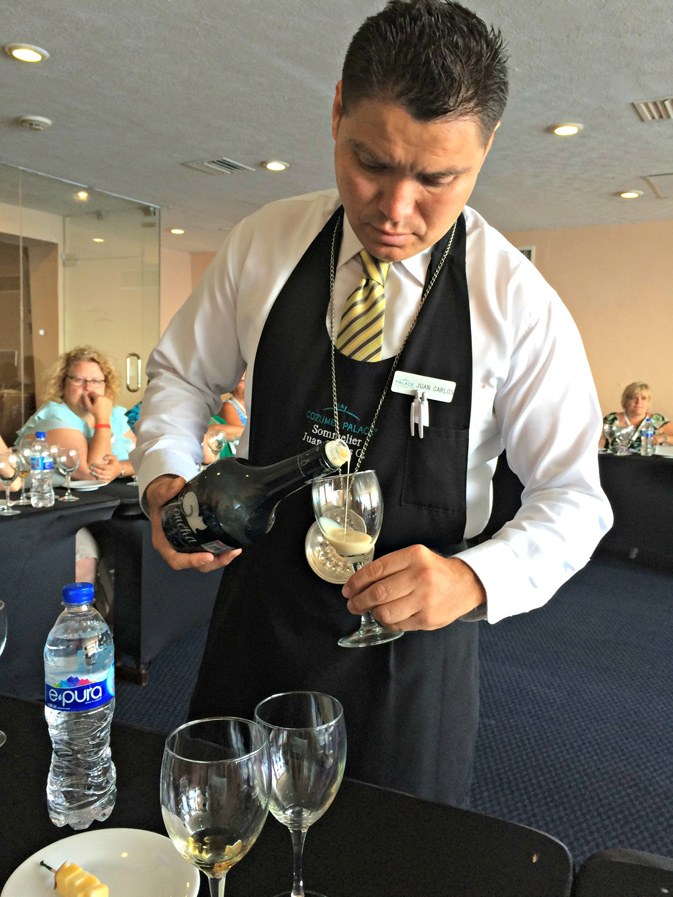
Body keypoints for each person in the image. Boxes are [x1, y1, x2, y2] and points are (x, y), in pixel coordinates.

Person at [132, 0, 612, 807]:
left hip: (408, 655)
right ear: (334, 112)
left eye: (436, 178)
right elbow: (181, 376)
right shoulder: (266, 243)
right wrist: (164, 477)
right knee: (223, 846)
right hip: (258, 620)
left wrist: (473, 577)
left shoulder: (518, 304)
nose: (395, 209)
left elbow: (574, 499)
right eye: (371, 163)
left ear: (484, 152)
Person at [16, 345, 136, 482]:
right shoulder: (54, 417)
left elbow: (145, 458)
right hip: (52, 498)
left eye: (96, 381)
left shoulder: (113, 414)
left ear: (106, 386)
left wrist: (120, 468)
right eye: (78, 380)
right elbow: (93, 474)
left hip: (110, 496)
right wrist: (102, 419)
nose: (88, 387)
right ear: (62, 383)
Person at [603, 382, 672, 451]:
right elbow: (596, 441)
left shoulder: (657, 420)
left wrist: (663, 438)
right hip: (614, 460)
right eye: (633, 398)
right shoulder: (612, 419)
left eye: (643, 398)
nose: (638, 402)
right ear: (625, 401)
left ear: (648, 402)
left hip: (648, 461)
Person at [202, 374, 247, 462]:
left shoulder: (218, 420)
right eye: (242, 380)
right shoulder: (228, 406)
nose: (246, 383)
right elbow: (239, 435)